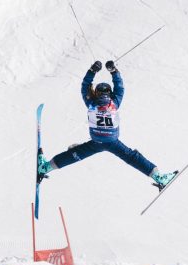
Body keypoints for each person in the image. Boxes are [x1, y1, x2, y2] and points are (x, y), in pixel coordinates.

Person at [38, 60, 177, 189]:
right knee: (133, 157)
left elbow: (85, 86)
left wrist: (92, 70)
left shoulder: (91, 103)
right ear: (110, 93)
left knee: (75, 154)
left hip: (96, 141)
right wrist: (113, 71)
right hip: (112, 142)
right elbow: (120, 87)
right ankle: (159, 177)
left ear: (96, 93)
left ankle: (46, 167)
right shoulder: (114, 103)